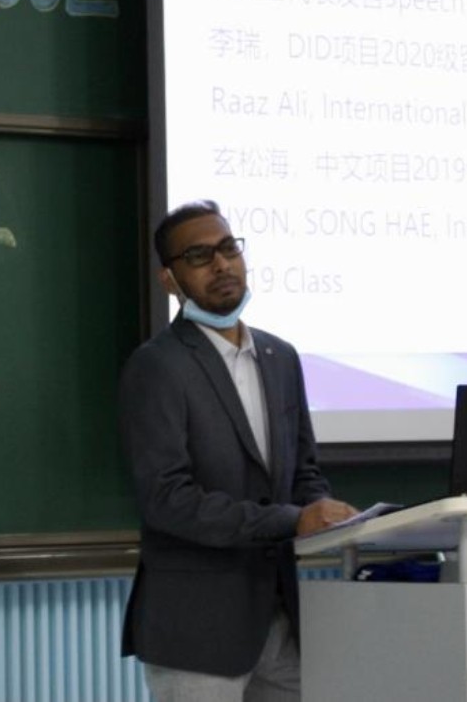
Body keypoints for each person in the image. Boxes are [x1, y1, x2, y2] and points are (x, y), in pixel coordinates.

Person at [119, 200, 356, 701]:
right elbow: (167, 499)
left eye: (229, 248)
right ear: (169, 279)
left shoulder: (280, 357)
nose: (222, 264)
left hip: (281, 619)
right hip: (196, 628)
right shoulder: (157, 366)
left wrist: (326, 512)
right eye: (200, 256)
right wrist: (291, 520)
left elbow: (303, 471)